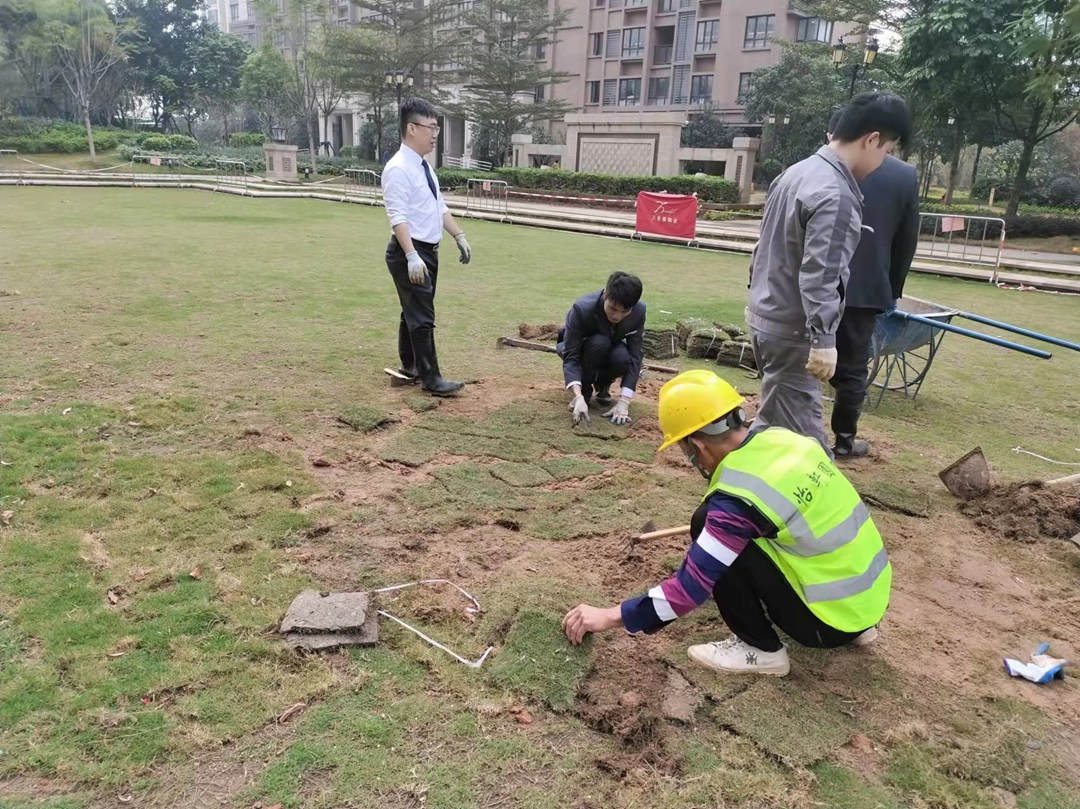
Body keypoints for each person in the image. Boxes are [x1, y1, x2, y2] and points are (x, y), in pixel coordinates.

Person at [562, 370, 890, 677]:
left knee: (704, 522)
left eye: (683, 448)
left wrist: (609, 615)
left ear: (698, 445)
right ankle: (858, 628)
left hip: (826, 625)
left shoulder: (736, 501)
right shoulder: (788, 440)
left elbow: (689, 589)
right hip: (868, 604)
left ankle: (761, 649)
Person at [746, 92, 912, 452]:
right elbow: (822, 274)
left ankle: (740, 494)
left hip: (765, 317)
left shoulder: (796, 173)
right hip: (793, 333)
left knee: (774, 426)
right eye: (887, 151)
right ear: (871, 140)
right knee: (812, 453)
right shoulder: (835, 193)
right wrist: (822, 341)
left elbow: (762, 248)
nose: (885, 161)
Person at [824, 108, 920, 458]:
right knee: (852, 369)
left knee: (804, 356)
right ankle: (844, 441)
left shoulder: (820, 167)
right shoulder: (903, 176)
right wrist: (891, 288)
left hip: (815, 283)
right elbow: (906, 239)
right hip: (864, 289)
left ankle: (793, 434)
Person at [381, 97, 473, 397]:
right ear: (411, 128)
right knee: (422, 315)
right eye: (430, 127)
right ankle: (431, 378)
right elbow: (398, 217)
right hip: (411, 251)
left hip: (426, 252)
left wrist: (458, 235)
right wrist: (411, 255)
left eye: (437, 128)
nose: (435, 134)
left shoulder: (424, 167)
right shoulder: (398, 169)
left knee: (413, 311)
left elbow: (438, 206)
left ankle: (410, 365)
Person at [558, 271, 646, 426]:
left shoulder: (639, 312)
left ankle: (603, 385)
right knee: (599, 343)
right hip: (581, 348)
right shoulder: (582, 308)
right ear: (606, 295)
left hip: (611, 348)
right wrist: (578, 396)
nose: (617, 316)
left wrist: (625, 401)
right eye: (613, 308)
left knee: (622, 357)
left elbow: (635, 355)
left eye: (624, 311)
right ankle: (584, 393)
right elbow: (571, 355)